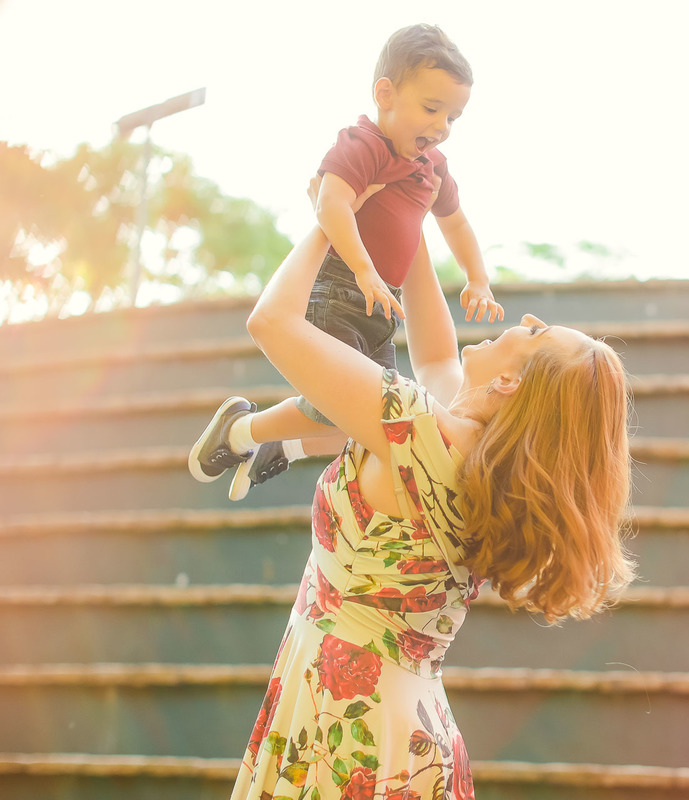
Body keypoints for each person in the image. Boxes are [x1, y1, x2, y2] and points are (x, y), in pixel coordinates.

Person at [223, 217, 634, 798]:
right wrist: (408, 207)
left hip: (352, 722)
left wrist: (332, 217)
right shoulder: (472, 456)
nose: (527, 320)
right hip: (403, 726)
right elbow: (437, 355)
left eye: (538, 334)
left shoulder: (419, 426)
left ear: (513, 383)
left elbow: (271, 322)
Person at [188, 23, 504, 501]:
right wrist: (362, 268)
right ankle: (243, 429)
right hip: (340, 287)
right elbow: (331, 204)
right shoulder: (363, 146)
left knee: (371, 419)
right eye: (432, 109)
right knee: (341, 404)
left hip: (383, 306)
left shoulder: (431, 166)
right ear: (386, 94)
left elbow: (455, 223)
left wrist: (477, 278)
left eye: (453, 118)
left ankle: (283, 446)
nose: (441, 128)